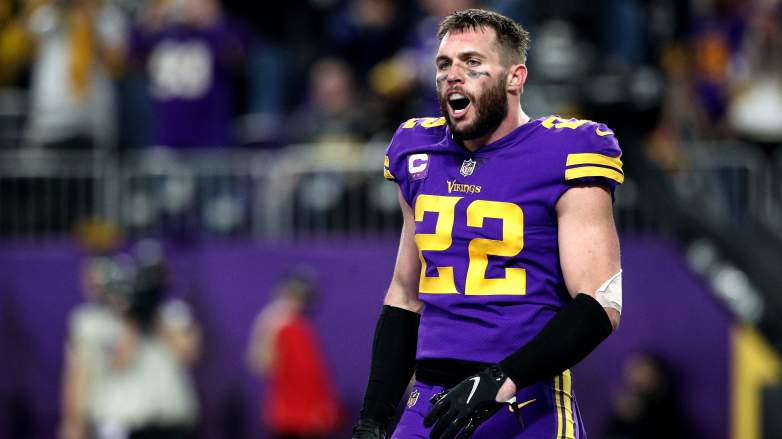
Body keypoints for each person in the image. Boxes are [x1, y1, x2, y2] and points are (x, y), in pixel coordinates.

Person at [353, 8, 623, 439]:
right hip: (429, 402)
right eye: (444, 64)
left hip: (525, 402)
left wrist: (502, 379)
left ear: (515, 77)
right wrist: (373, 418)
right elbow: (406, 295)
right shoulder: (416, 149)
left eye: (472, 63)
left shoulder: (567, 150)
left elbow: (600, 302)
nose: (453, 75)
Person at [247, 271, 343, 439]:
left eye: (303, 295)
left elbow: (313, 375)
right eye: (294, 294)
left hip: (304, 417)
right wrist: (268, 327)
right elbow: (261, 364)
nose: (298, 301)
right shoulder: (282, 327)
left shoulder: (301, 327)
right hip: (291, 417)